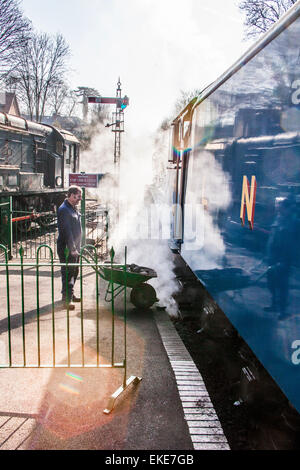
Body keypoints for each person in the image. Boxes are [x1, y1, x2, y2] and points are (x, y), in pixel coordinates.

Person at [57, 185, 82, 309]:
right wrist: (72, 248)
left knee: (74, 271)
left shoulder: (73, 208)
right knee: (68, 272)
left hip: (75, 247)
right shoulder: (64, 210)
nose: (80, 199)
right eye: (78, 196)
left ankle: (68, 294)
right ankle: (67, 300)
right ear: (71, 195)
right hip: (67, 248)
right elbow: (66, 232)